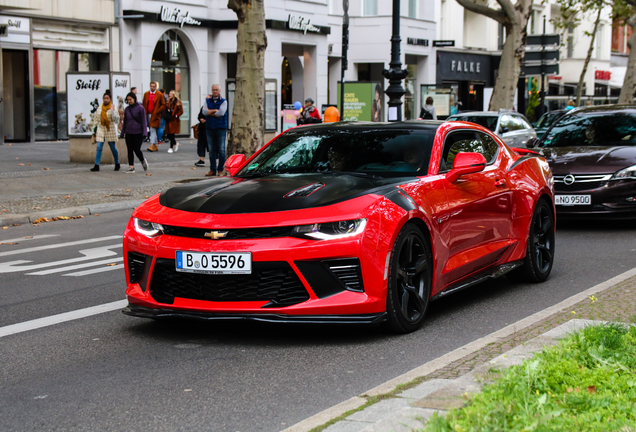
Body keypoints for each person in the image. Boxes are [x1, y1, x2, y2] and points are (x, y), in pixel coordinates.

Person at [89, 89, 120, 172]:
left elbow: (116, 120)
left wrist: (113, 111)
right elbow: (96, 119)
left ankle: (117, 163)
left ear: (110, 99)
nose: (105, 99)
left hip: (110, 129)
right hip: (101, 128)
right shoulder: (99, 108)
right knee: (99, 147)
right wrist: (94, 130)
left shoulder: (113, 108)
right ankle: (96, 165)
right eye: (104, 98)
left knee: (113, 147)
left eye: (107, 98)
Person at [202, 84, 228, 177]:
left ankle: (220, 169)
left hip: (220, 128)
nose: (215, 91)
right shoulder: (207, 100)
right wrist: (214, 110)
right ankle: (212, 169)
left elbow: (221, 113)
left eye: (216, 90)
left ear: (219, 90)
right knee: (212, 150)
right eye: (213, 90)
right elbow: (204, 112)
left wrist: (210, 112)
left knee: (221, 150)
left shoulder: (223, 101)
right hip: (210, 128)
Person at [120, 91, 149, 173]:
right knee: (129, 149)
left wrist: (144, 132)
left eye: (130, 99)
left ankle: (142, 160)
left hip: (138, 132)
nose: (129, 101)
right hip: (128, 132)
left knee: (136, 149)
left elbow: (144, 121)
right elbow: (125, 122)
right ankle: (131, 167)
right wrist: (122, 133)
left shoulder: (140, 108)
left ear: (134, 99)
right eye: (128, 100)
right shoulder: (127, 109)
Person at [142, 82, 166, 152]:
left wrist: (158, 110)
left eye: (154, 86)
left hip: (155, 114)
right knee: (151, 129)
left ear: (156, 87)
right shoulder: (146, 94)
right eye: (151, 86)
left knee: (152, 129)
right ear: (150, 86)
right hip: (148, 114)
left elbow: (163, 105)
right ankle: (155, 145)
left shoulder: (159, 94)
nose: (152, 88)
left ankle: (152, 145)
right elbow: (144, 104)